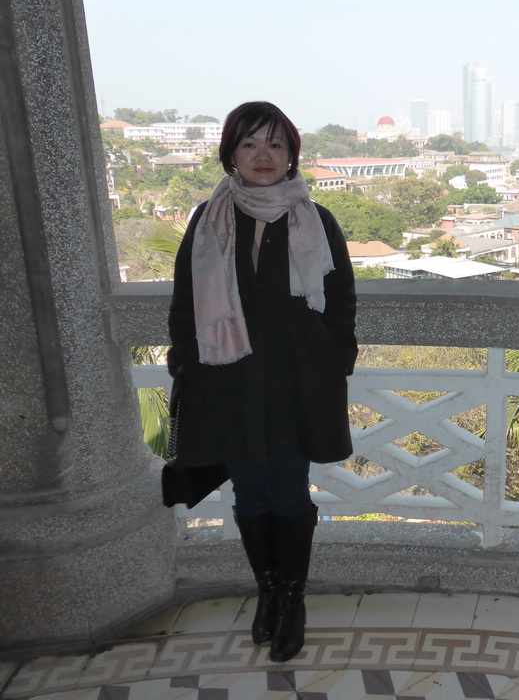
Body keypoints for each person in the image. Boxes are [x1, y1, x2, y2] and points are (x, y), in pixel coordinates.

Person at [167, 101, 357, 662]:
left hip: (297, 383)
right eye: (250, 144)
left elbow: (340, 299)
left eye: (275, 144)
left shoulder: (315, 221)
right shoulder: (209, 218)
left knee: (289, 490)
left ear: (292, 153)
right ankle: (268, 592)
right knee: (249, 494)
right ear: (231, 154)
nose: (264, 156)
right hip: (228, 381)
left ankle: (292, 599)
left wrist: (333, 357)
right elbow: (186, 299)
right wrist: (187, 360)